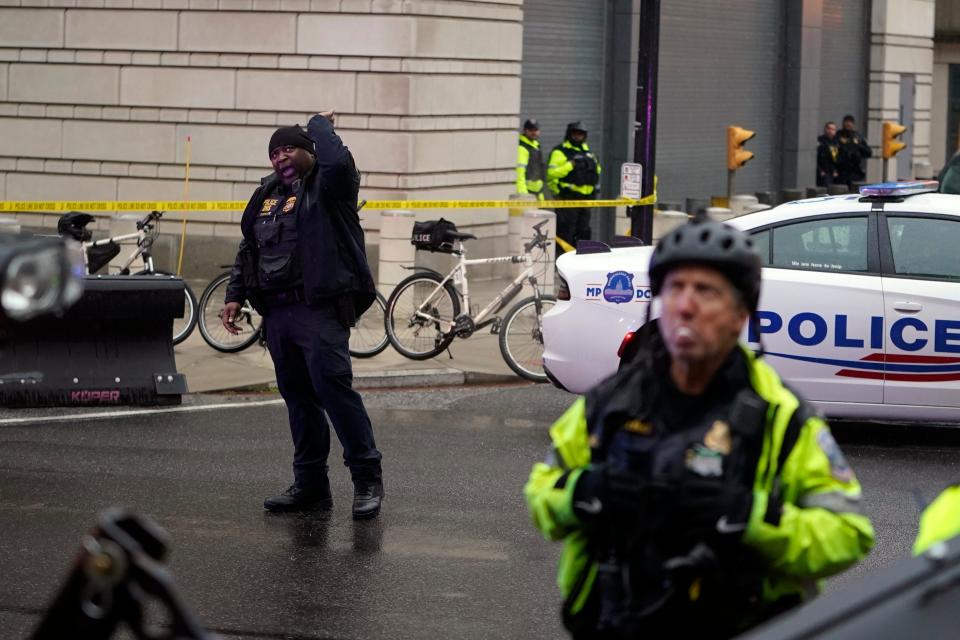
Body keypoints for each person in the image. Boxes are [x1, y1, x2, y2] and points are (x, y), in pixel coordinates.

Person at [524, 218, 874, 639]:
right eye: (675, 288)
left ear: (740, 314)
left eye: (706, 291)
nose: (685, 306)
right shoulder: (609, 403)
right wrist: (585, 494)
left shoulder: (779, 415)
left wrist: (750, 517)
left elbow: (847, 533)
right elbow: (543, 493)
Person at [221, 111, 384, 519]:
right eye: (274, 152)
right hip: (278, 313)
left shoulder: (331, 189)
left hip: (319, 309)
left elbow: (338, 161)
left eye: (289, 148)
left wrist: (319, 126)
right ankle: (311, 484)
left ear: (309, 151)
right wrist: (235, 294)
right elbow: (249, 248)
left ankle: (367, 480)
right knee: (298, 399)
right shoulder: (267, 194)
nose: (280, 158)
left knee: (334, 392)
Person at [547, 121, 601, 251]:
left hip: (586, 201)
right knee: (565, 233)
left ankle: (581, 263)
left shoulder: (588, 153)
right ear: (569, 135)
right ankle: (560, 263)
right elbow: (551, 174)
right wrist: (570, 164)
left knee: (584, 233)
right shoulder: (560, 151)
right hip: (568, 200)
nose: (578, 137)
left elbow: (597, 171)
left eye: (581, 134)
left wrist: (595, 188)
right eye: (575, 134)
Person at [836, 114, 872, 187]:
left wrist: (858, 145)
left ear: (853, 125)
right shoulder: (838, 136)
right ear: (843, 124)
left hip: (855, 170)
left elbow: (868, 152)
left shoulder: (858, 137)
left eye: (850, 123)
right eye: (846, 123)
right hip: (841, 171)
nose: (848, 125)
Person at [517, 118, 546, 201]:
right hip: (528, 194)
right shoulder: (522, 148)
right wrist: (523, 195)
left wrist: (540, 194)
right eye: (530, 130)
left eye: (536, 130)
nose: (534, 132)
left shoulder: (536, 146)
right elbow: (519, 174)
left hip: (538, 194)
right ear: (525, 131)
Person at [816, 121, 839, 187]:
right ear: (825, 129)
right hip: (823, 172)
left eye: (833, 129)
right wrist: (820, 170)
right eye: (828, 128)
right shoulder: (820, 141)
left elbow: (837, 158)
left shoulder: (836, 142)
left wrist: (835, 170)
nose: (830, 131)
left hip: (834, 173)